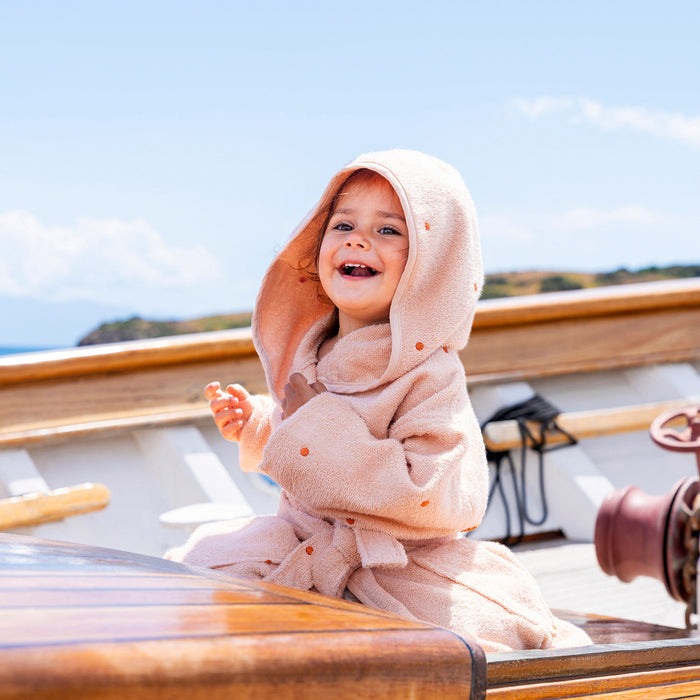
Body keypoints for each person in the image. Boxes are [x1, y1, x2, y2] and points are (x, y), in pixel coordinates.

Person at [166, 149, 591, 653]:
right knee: (189, 580)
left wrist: (311, 425)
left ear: (433, 268)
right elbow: (300, 442)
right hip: (300, 538)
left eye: (389, 230)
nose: (358, 238)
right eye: (342, 223)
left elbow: (430, 491)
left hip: (400, 562)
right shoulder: (314, 350)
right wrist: (259, 424)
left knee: (477, 635)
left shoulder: (432, 376)